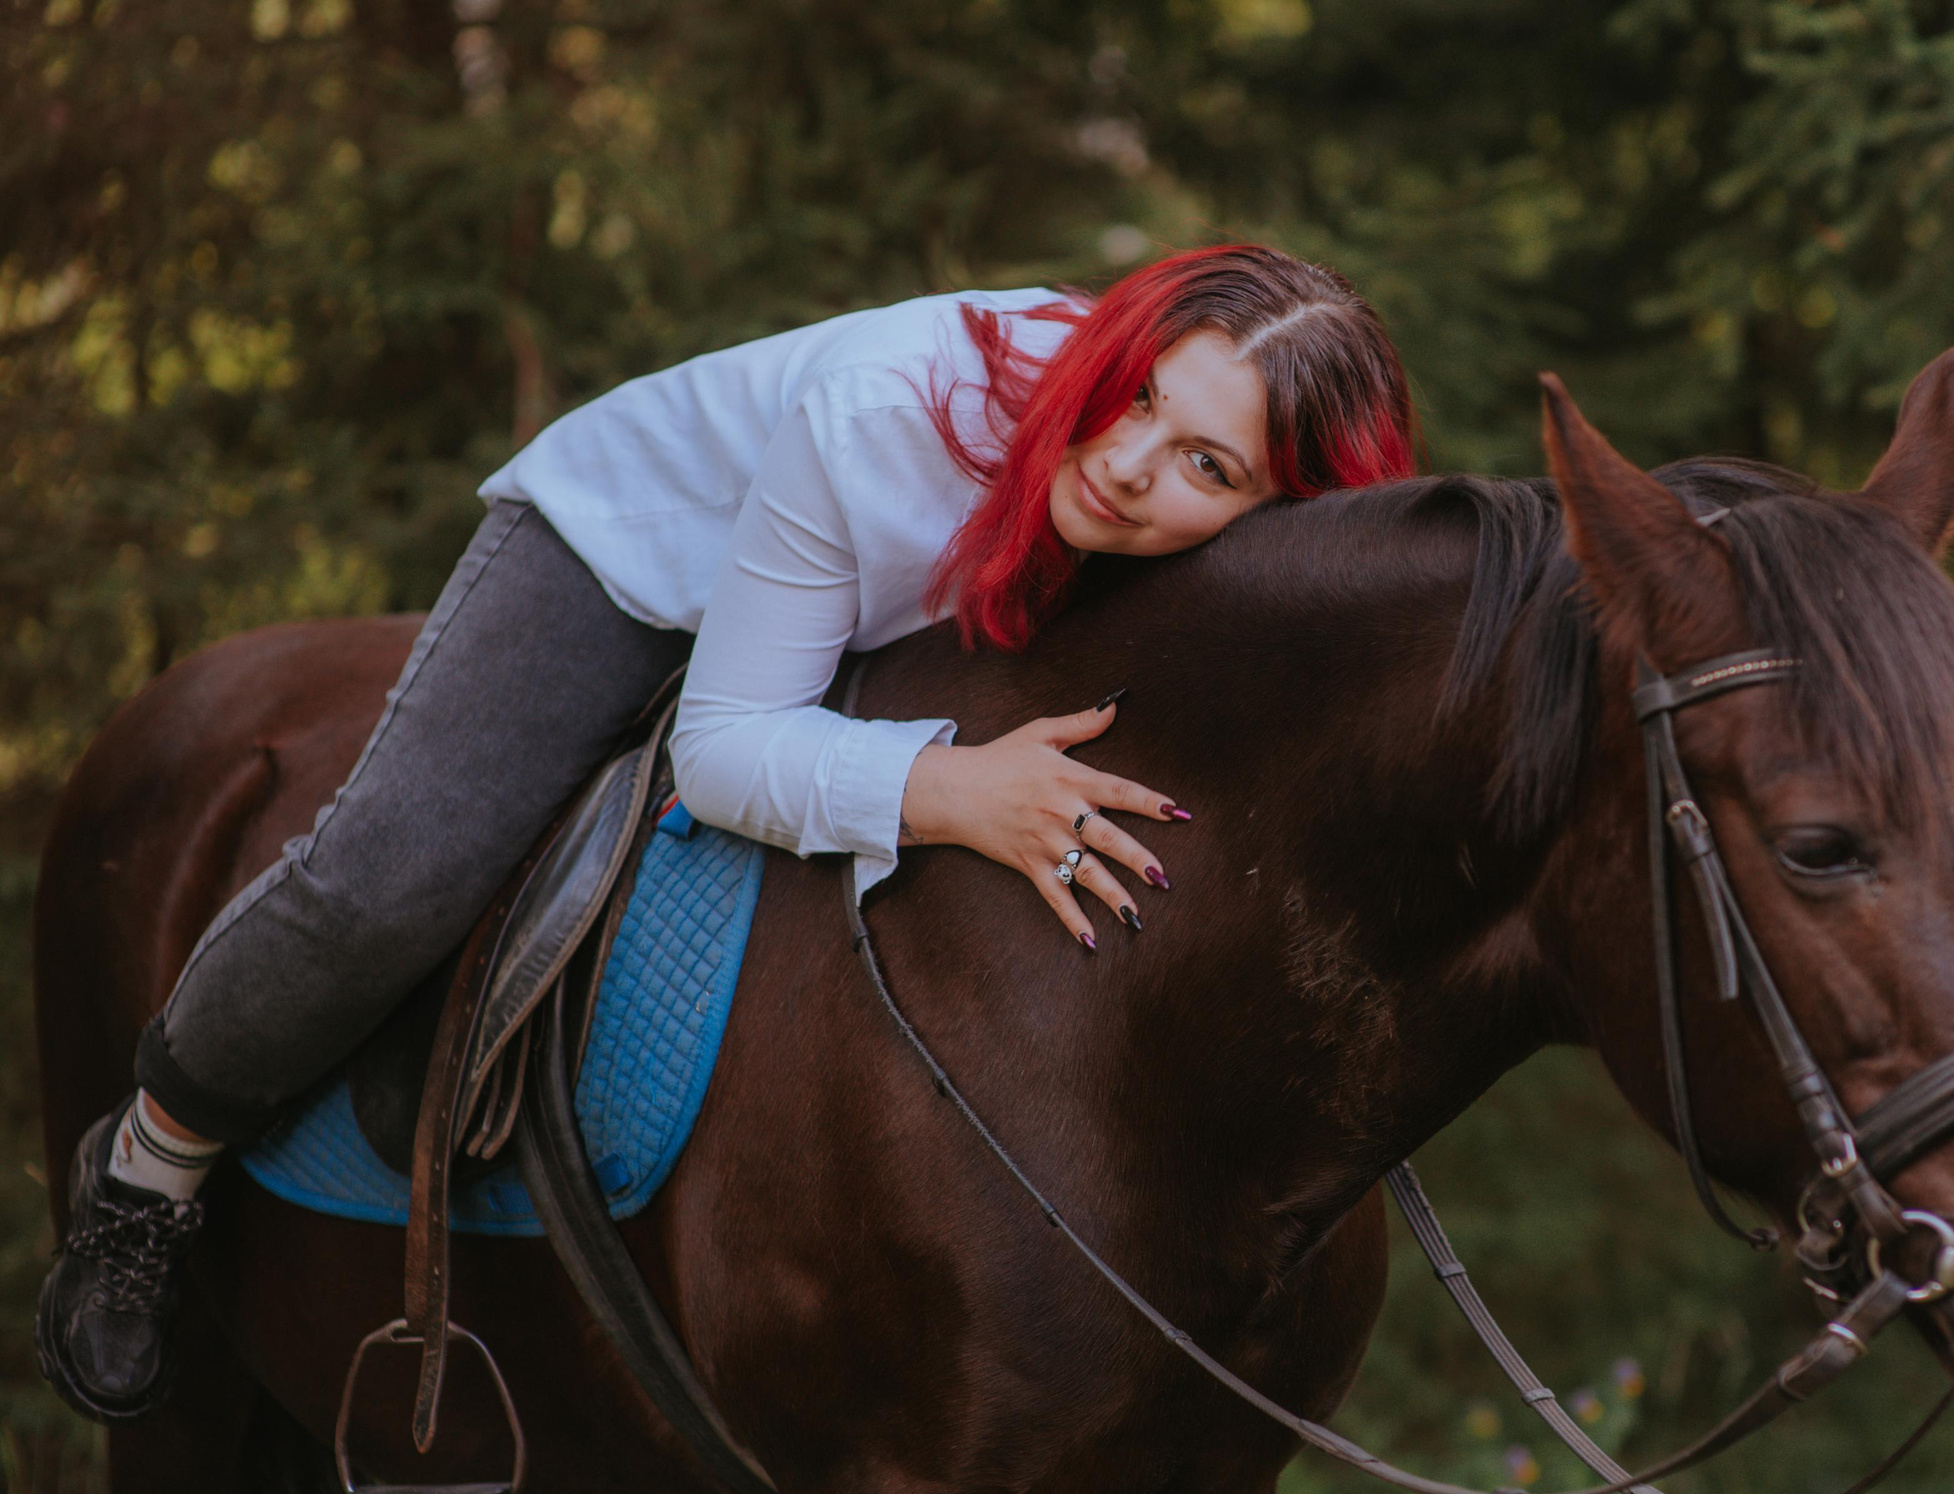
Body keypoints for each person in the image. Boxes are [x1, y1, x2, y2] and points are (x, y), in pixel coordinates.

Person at [38, 244, 1418, 1424]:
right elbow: (721, 751)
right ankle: (148, 1168)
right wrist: (948, 789)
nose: (1125, 467)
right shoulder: (895, 416)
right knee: (390, 878)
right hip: (636, 566)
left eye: (1205, 464)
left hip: (856, 611)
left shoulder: (1183, 537)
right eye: (1136, 399)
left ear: (1271, 513)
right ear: (1114, 348)